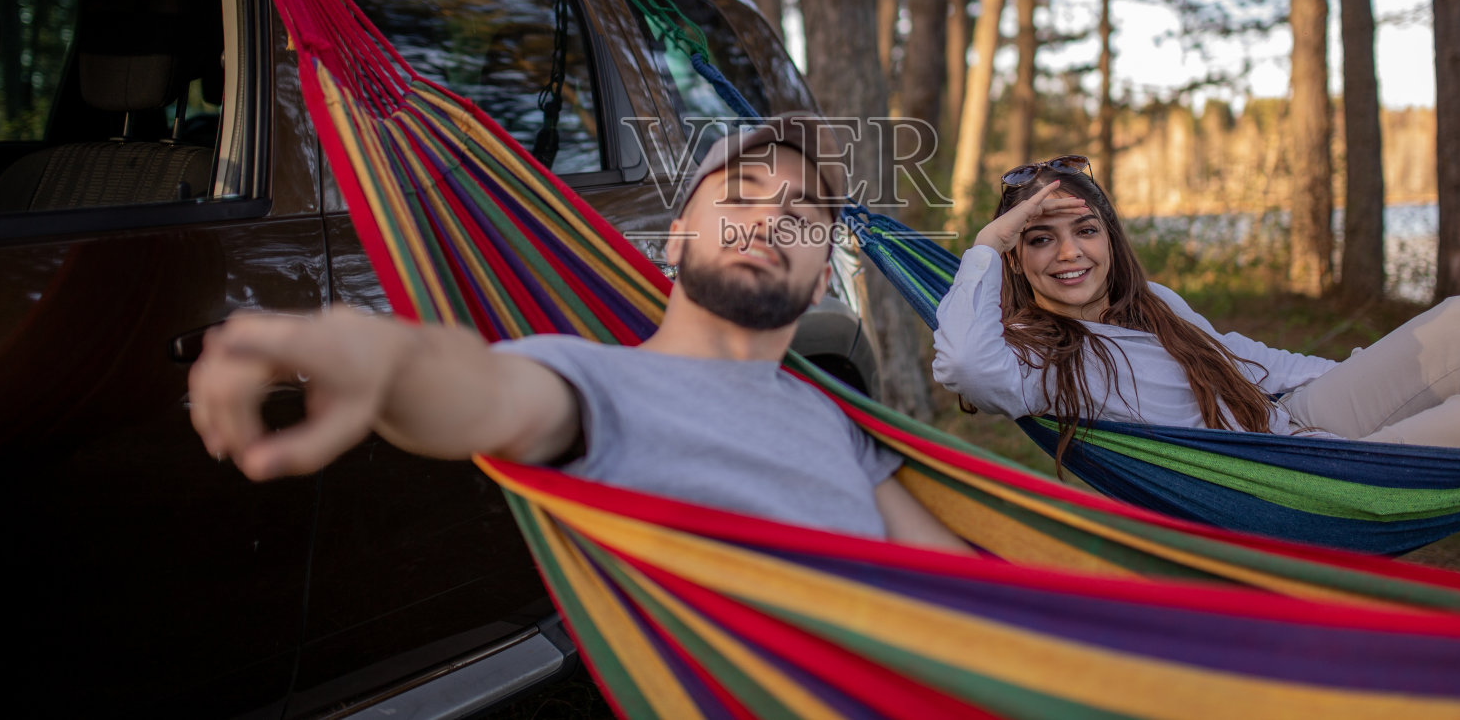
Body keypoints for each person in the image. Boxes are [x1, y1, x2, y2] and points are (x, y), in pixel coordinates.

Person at [190, 113, 968, 551]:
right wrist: (384, 356)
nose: (771, 217)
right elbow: (488, 392)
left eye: (802, 214)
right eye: (740, 195)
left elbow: (952, 574)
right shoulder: (598, 384)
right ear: (675, 240)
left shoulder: (831, 417)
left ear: (818, 270)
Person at [932, 156, 1460, 457]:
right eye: (1039, 238)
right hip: (1300, 477)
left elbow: (1253, 361)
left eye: (1085, 228)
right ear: (1016, 258)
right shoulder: (1036, 353)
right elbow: (965, 364)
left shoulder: (1154, 304)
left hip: (1297, 418)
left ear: (1110, 236)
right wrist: (989, 240)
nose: (1068, 253)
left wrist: (1366, 376)